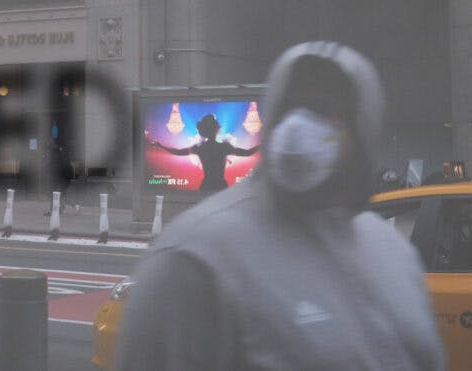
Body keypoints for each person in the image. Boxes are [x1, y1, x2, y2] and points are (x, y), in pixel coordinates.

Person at [116, 42, 445, 371]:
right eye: (292, 108)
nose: (301, 126)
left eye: (327, 111)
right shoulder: (193, 259)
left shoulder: (392, 252)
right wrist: (157, 143)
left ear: (361, 130)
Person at [146, 114, 261, 192]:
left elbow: (178, 152)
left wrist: (161, 146)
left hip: (207, 186)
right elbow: (248, 153)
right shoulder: (223, 147)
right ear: (216, 130)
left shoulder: (200, 148)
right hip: (220, 187)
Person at [44, 137, 79, 215]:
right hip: (62, 178)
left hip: (59, 178)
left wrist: (49, 172)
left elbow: (53, 166)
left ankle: (54, 210)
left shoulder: (54, 153)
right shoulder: (59, 152)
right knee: (60, 194)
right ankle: (70, 206)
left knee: (55, 194)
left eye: (49, 143)